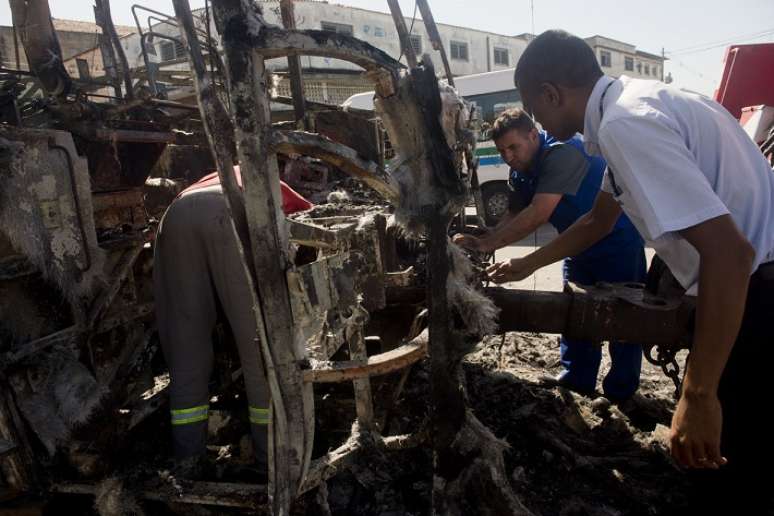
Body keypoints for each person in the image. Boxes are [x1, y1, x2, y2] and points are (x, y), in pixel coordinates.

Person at [490, 29, 774, 512]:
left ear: (551, 93)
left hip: (758, 298)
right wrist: (525, 264)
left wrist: (699, 394)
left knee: (721, 466)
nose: (538, 121)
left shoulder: (626, 124)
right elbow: (598, 220)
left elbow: (731, 254)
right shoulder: (637, 106)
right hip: (749, 287)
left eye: (535, 110)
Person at [455, 108, 645, 401]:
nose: (508, 156)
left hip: (616, 242)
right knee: (575, 311)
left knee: (624, 320)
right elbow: (515, 212)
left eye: (513, 147)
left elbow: (537, 212)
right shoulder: (521, 167)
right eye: (502, 150)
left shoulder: (562, 152)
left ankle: (621, 391)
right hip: (575, 243)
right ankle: (577, 381)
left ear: (533, 134)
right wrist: (485, 238)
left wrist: (489, 246)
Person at [153, 166, 312, 476]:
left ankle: (188, 459)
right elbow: (307, 220)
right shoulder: (265, 175)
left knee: (187, 353)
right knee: (260, 350)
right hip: (227, 212)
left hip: (175, 216)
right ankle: (270, 460)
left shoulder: (207, 177)